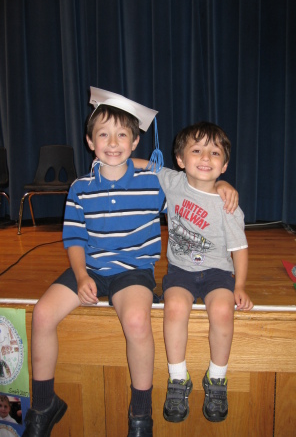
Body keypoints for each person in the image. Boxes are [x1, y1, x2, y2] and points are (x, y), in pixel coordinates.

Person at [22, 87, 167, 437]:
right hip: (90, 267)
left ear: (135, 142)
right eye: (103, 134)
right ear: (90, 141)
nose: (112, 142)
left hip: (133, 271)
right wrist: (80, 273)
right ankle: (44, 405)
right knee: (42, 314)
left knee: (136, 320)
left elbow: (195, 184)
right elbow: (73, 238)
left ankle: (141, 416)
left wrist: (221, 186)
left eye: (122, 135)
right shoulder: (80, 188)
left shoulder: (154, 183)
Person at [134, 121, 253, 423]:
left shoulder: (228, 204)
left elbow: (239, 248)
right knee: (173, 307)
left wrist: (240, 285)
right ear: (180, 160)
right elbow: (146, 164)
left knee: (224, 311)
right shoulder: (173, 182)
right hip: (181, 271)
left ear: (224, 165)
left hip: (217, 272)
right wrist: (117, 160)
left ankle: (217, 379)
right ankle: (177, 378)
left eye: (214, 153)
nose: (205, 158)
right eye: (197, 150)